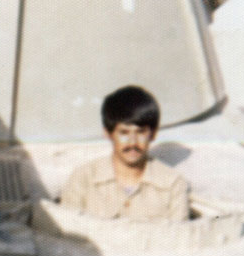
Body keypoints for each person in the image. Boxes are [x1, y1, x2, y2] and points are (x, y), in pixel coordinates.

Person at [60, 86, 190, 221]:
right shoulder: (83, 179)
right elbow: (67, 230)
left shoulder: (173, 184)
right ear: (108, 134)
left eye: (141, 132)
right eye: (124, 133)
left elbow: (179, 232)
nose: (132, 143)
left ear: (153, 134)